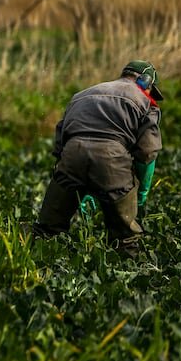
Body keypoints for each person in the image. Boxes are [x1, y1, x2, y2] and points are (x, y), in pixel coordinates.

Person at [31, 60, 164, 257]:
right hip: (112, 155)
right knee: (125, 237)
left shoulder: (83, 94)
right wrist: (141, 191)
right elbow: (146, 153)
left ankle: (36, 268)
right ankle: (128, 274)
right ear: (146, 82)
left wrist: (75, 182)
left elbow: (60, 144)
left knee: (47, 230)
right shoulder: (145, 101)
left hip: (71, 153)